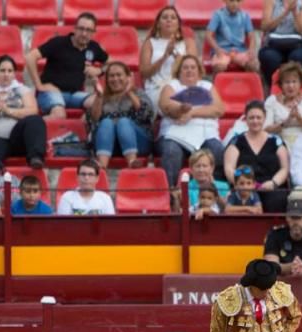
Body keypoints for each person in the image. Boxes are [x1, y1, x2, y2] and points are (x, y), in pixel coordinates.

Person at [157, 55, 226, 196]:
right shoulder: (171, 86)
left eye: (193, 67)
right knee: (171, 151)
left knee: (217, 149)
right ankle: (171, 194)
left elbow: (219, 109)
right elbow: (166, 106)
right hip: (175, 134)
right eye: (185, 67)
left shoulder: (207, 86)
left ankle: (216, 193)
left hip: (205, 134)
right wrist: (181, 108)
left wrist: (192, 113)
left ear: (199, 70)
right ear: (179, 71)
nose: (189, 70)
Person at [0, 55, 48, 175]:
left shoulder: (23, 90)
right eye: (2, 71)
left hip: (17, 136)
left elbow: (32, 110)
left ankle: (36, 158)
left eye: (10, 71)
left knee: (35, 120)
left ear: (14, 74)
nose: (6, 74)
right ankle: (0, 182)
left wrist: (8, 111)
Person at [25, 12, 107, 118]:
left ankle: (80, 131)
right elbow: (30, 57)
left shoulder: (93, 47)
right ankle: (30, 126)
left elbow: (113, 64)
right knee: (59, 114)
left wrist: (100, 70)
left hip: (75, 94)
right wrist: (39, 85)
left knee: (99, 105)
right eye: (81, 29)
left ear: (94, 32)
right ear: (74, 29)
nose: (84, 34)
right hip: (52, 92)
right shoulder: (59, 43)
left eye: (88, 30)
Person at [224, 101, 290, 212]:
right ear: (246, 119)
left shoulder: (276, 141)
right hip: (243, 188)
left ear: (264, 118)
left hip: (269, 188)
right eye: (251, 118)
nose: (255, 121)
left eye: (258, 118)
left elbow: (284, 168)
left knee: (277, 199)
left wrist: (273, 183)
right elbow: (229, 168)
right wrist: (241, 184)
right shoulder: (236, 141)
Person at [90, 61, 154, 170]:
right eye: (111, 76)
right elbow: (94, 120)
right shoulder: (102, 97)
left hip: (138, 144)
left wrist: (129, 92)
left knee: (123, 122)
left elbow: (145, 114)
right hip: (110, 145)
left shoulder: (138, 93)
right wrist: (99, 97)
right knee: (106, 122)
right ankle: (102, 167)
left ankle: (132, 162)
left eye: (119, 75)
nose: (115, 79)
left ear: (128, 77)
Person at [140, 6, 198, 108]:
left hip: (183, 86)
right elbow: (145, 73)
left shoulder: (188, 43)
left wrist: (175, 54)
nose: (169, 20)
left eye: (173, 17)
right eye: (165, 17)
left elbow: (194, 70)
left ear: (178, 24)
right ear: (158, 24)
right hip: (158, 87)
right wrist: (165, 56)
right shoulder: (149, 43)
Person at [264, 62, 302, 152]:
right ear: (281, 84)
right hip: (279, 143)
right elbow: (265, 129)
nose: (291, 86)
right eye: (287, 82)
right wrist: (285, 122)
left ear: (301, 83)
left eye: (294, 82)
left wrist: (300, 118)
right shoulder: (272, 101)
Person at [259, 0, 302, 83]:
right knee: (270, 58)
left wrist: (294, 12)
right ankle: (274, 89)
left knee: (298, 57)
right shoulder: (271, 1)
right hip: (274, 43)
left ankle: (297, 89)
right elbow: (265, 27)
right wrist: (285, 13)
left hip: (297, 43)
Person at [207, 0, 260, 73]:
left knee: (253, 65)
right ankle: (217, 84)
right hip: (223, 51)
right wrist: (217, 49)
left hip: (240, 50)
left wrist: (251, 50)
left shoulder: (245, 16)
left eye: (238, 1)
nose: (235, 4)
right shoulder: (218, 15)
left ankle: (246, 83)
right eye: (231, 1)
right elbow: (208, 35)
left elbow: (252, 36)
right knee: (219, 67)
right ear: (225, 1)